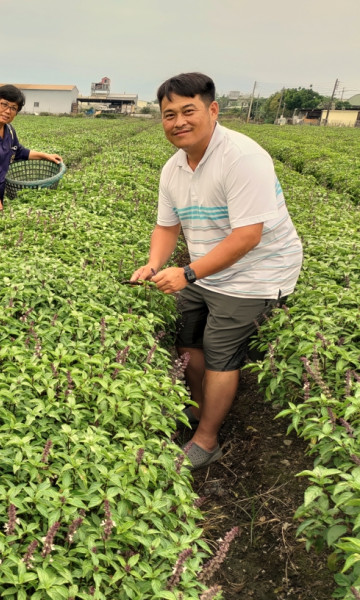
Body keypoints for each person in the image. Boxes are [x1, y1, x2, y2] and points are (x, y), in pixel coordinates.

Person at [130, 72, 303, 470]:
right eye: (168, 114)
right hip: (208, 268)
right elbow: (167, 226)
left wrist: (188, 274)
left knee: (221, 350)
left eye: (188, 111)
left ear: (212, 110)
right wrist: (155, 264)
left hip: (256, 272)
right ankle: (198, 407)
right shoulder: (173, 168)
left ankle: (207, 440)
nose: (178, 122)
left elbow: (247, 237)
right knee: (186, 334)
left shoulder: (243, 158)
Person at [0, 84, 63, 221]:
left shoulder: (9, 131)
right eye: (4, 105)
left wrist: (46, 156)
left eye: (13, 108)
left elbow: (19, 152)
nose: (8, 111)